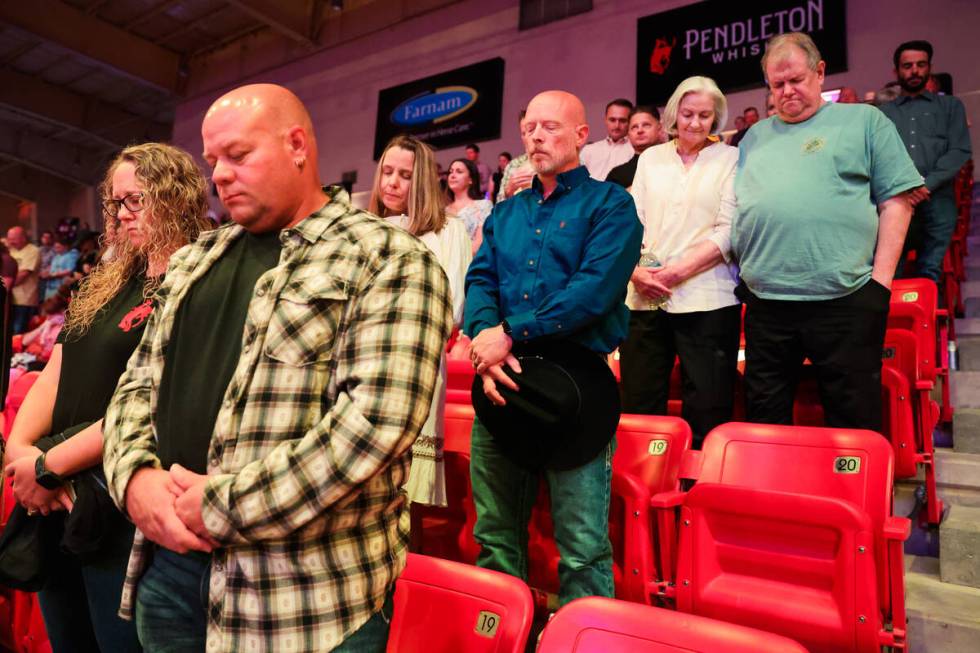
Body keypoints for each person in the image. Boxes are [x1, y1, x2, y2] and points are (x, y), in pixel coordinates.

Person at [101, 84, 452, 653]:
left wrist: (222, 506)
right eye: (214, 161)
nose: (218, 175)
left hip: (302, 599)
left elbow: (372, 428)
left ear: (296, 146)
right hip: (170, 573)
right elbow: (136, 384)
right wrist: (136, 479)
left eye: (238, 156)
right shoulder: (194, 260)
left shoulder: (390, 258)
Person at [3, 142, 212, 652]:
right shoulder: (112, 278)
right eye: (117, 202)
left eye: (136, 199)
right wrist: (21, 453)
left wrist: (49, 465)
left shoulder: (196, 281)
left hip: (117, 501)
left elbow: (152, 399)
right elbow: (57, 366)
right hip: (58, 501)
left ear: (176, 197)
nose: (123, 214)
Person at [464, 90, 642, 605]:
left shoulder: (611, 204)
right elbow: (481, 280)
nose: (536, 137)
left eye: (550, 127)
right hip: (500, 378)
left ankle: (588, 639)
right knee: (494, 537)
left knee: (582, 547)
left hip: (577, 387)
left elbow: (593, 292)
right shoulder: (506, 214)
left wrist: (508, 334)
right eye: (529, 128)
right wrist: (482, 335)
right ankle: (504, 638)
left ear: (582, 135)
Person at [732, 32, 923, 431]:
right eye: (777, 84)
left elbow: (896, 203)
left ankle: (854, 494)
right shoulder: (753, 138)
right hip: (767, 304)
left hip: (846, 299)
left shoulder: (864, 120)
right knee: (765, 419)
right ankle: (772, 493)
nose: (787, 91)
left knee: (852, 417)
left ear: (820, 73)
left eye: (796, 80)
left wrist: (880, 285)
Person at [620, 77, 740, 447]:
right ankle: (643, 481)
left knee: (708, 404)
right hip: (643, 296)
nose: (695, 123)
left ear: (716, 118)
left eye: (705, 115)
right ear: (674, 114)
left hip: (709, 298)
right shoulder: (651, 158)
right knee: (640, 403)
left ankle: (696, 489)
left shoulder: (730, 158)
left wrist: (675, 272)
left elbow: (729, 228)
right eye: (688, 114)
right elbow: (631, 220)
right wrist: (636, 270)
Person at [369, 134, 471, 509]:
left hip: (415, 365)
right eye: (387, 172)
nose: (392, 183)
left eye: (405, 175)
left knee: (405, 497)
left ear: (424, 179)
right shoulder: (365, 228)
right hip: (362, 366)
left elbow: (452, 307)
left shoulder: (448, 230)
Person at [880, 40, 972, 282]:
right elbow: (878, 156)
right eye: (907, 66)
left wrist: (925, 186)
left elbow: (959, 151)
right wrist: (905, 188)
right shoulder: (884, 113)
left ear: (929, 67)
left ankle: (929, 321)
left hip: (938, 202)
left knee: (930, 275)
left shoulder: (950, 107)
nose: (914, 71)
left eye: (920, 65)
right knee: (891, 276)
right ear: (896, 71)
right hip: (898, 203)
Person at [605, 106, 661, 189]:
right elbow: (606, 201)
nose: (640, 130)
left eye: (646, 125)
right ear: (628, 134)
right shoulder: (617, 174)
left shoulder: (674, 162)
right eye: (634, 127)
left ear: (659, 128)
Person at [445, 157, 493, 253]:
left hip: (472, 263)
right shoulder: (442, 211)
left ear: (470, 179)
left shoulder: (483, 206)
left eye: (459, 171)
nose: (452, 175)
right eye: (451, 171)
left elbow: (480, 243)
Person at [580, 98, 634, 180]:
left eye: (622, 121)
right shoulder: (589, 150)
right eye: (612, 120)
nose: (617, 126)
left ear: (631, 121)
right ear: (605, 120)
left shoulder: (635, 151)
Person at [7, 226, 41, 334]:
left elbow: (23, 275)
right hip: (9, 298)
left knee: (19, 332)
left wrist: (6, 285)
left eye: (14, 239)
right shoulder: (9, 251)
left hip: (25, 300)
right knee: (8, 333)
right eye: (9, 239)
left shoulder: (33, 251)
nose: (11, 242)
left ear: (23, 238)